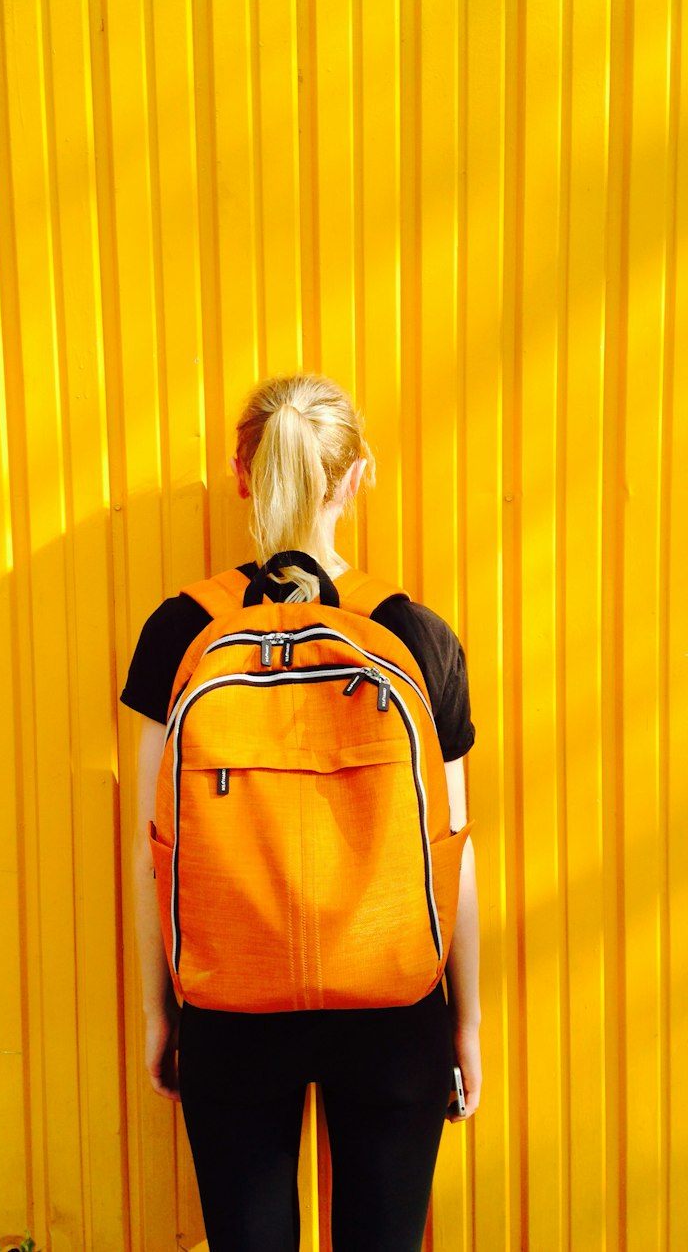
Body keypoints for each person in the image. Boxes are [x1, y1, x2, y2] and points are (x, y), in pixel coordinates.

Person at [122, 373, 482, 1252]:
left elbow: (151, 848)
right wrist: (464, 1022)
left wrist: (160, 1012)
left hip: (232, 1007)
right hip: (394, 1008)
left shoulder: (181, 630)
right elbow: (454, 850)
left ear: (242, 475)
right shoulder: (415, 634)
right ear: (357, 476)